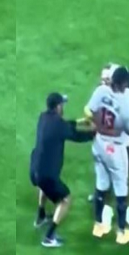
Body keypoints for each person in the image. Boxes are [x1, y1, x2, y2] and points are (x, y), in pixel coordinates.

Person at [30, 93, 95, 247]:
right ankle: (49, 237)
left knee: (43, 187)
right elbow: (77, 136)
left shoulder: (43, 117)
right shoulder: (59, 125)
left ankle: (40, 217)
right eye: (62, 104)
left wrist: (80, 121)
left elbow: (64, 126)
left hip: (35, 169)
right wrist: (94, 132)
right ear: (58, 106)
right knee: (66, 199)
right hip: (47, 174)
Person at [86, 66, 129, 245]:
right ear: (123, 83)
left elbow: (90, 111)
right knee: (121, 189)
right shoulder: (125, 100)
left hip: (99, 143)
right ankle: (122, 232)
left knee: (101, 184)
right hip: (115, 148)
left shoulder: (101, 90)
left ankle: (98, 225)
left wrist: (99, 125)